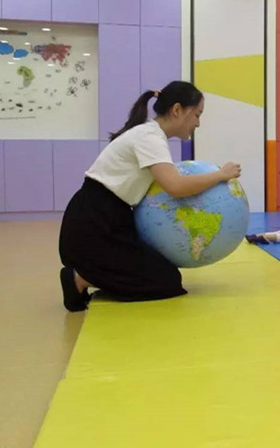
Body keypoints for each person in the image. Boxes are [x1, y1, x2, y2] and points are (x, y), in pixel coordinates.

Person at [58, 81, 242, 312]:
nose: (198, 123)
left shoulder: (149, 134)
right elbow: (175, 186)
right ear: (177, 110)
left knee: (165, 276)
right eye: (197, 114)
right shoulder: (149, 137)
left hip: (109, 216)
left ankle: (93, 276)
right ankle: (80, 277)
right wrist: (220, 175)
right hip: (95, 223)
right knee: (166, 281)